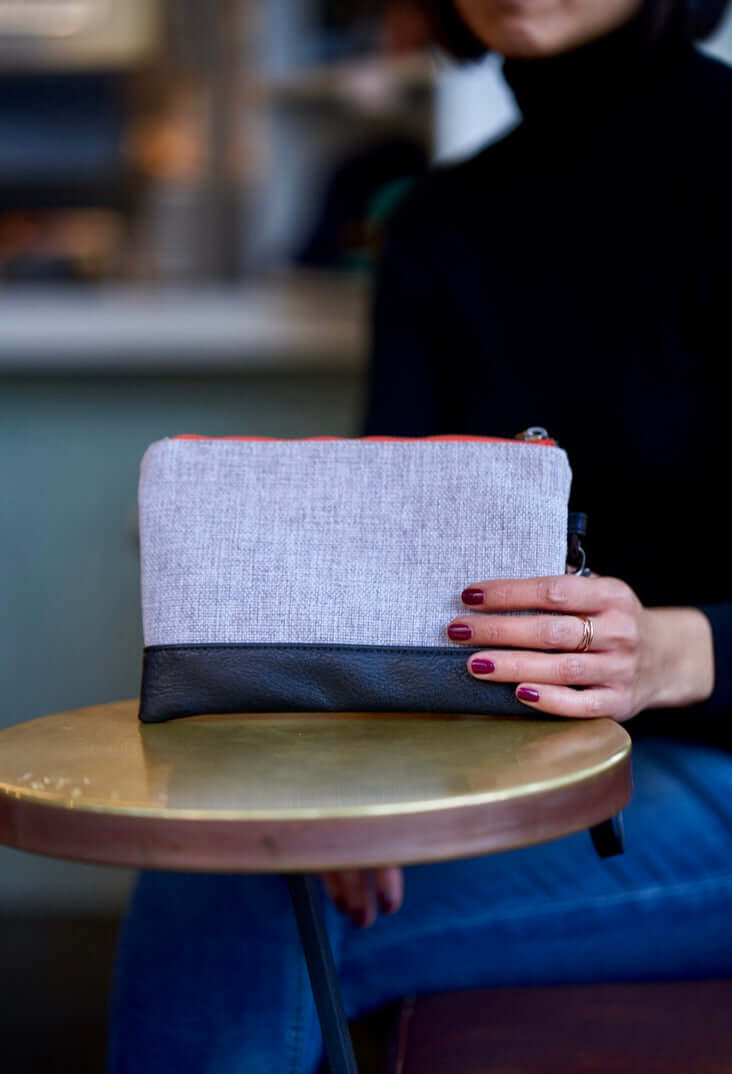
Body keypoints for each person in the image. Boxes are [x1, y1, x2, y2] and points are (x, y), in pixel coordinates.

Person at [107, 3, 732, 1071]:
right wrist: (353, 782)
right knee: (243, 863)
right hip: (521, 757)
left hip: (711, 767)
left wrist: (674, 652)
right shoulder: (440, 223)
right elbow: (382, 575)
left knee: (247, 918)